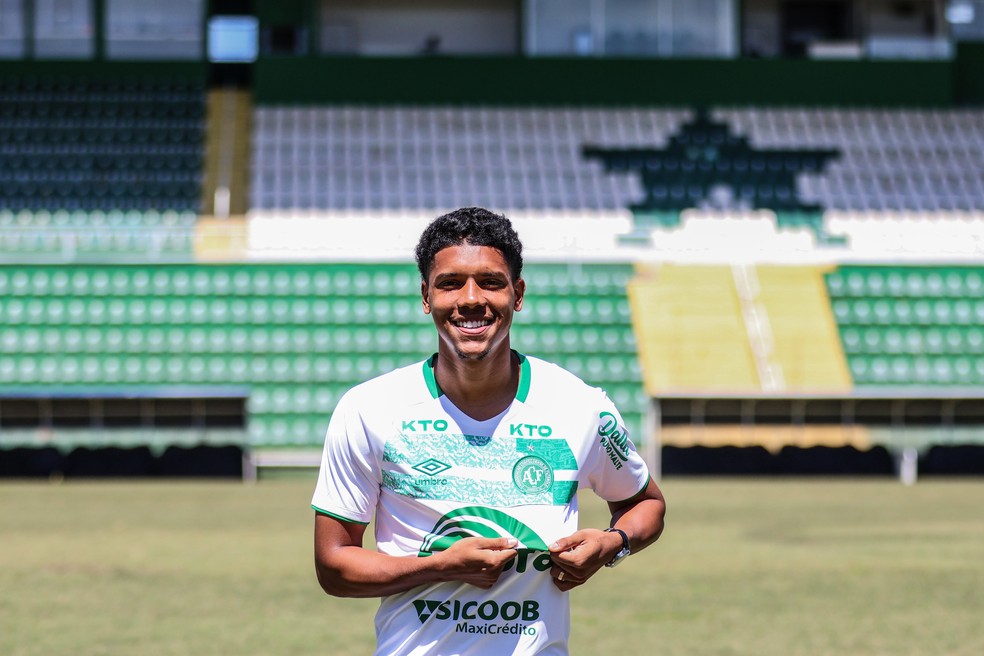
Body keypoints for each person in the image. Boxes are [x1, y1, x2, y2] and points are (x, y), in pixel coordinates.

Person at [312, 207, 666, 655]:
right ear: (426, 296)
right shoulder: (368, 409)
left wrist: (612, 544)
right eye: (450, 283)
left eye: (491, 282)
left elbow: (646, 504)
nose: (471, 298)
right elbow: (333, 566)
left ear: (517, 294)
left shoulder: (581, 406)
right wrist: (440, 566)